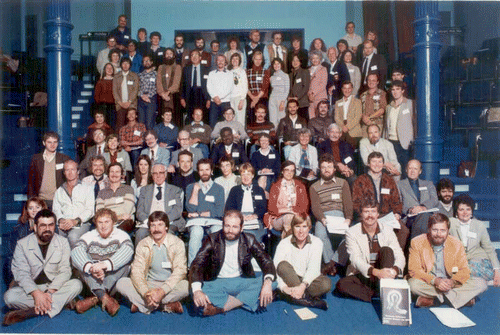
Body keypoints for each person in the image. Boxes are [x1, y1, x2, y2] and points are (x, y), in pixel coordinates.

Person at [3, 210, 82, 326]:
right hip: (32, 288)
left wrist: (49, 292)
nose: (47, 229)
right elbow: (21, 274)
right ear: (35, 227)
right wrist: (37, 294)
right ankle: (60, 303)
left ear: (54, 226)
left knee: (76, 284)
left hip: (54, 287)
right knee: (9, 297)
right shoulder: (22, 244)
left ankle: (31, 312)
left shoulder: (63, 242)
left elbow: (65, 271)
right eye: (43, 225)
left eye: (51, 225)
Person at [189, 210, 276, 316]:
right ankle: (246, 301)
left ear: (242, 228)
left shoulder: (249, 239)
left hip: (241, 280)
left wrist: (267, 283)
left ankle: (224, 307)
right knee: (195, 288)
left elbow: (266, 261)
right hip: (217, 282)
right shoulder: (212, 239)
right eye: (227, 226)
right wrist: (197, 291)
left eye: (235, 227)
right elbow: (197, 263)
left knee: (273, 282)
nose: (230, 230)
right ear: (222, 225)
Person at [408, 213, 487, 308]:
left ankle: (435, 300)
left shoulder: (456, 243)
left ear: (448, 231)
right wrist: (435, 281)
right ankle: (460, 299)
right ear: (429, 229)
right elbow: (414, 270)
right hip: (430, 282)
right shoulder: (417, 242)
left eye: (442, 230)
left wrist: (452, 282)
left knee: (481, 283)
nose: (438, 234)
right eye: (435, 230)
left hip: (450, 282)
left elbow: (464, 270)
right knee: (413, 285)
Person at [116, 211, 189, 314]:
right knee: (121, 283)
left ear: (166, 227)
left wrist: (162, 291)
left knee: (187, 286)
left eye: (160, 225)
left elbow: (180, 271)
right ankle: (164, 306)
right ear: (149, 228)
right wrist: (146, 293)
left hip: (169, 285)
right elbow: (137, 271)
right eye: (153, 225)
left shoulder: (177, 243)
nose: (156, 229)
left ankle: (143, 305)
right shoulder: (143, 244)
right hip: (149, 285)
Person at [335, 198, 405, 302]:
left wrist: (394, 270)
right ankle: (377, 293)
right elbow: (355, 259)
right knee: (341, 285)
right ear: (361, 214)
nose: (370, 215)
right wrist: (376, 272)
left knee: (387, 250)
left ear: (378, 214)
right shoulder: (352, 232)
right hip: (365, 273)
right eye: (366, 212)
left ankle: (383, 287)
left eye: (373, 211)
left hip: (384, 271)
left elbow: (399, 254)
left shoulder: (388, 229)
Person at [71, 208, 134, 315]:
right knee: (80, 265)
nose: (103, 226)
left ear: (114, 223)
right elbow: (76, 251)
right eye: (100, 222)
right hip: (93, 277)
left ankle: (96, 297)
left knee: (126, 265)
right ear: (96, 224)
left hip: (111, 278)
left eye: (106, 222)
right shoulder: (89, 235)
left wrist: (105, 265)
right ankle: (103, 296)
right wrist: (91, 267)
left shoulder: (121, 235)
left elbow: (128, 250)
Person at [352, 152, 408, 249]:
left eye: (380, 162)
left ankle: (395, 256)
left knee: (404, 230)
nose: (377, 165)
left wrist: (397, 213)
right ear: (368, 164)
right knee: (375, 230)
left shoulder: (389, 180)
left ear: (383, 164)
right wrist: (367, 214)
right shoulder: (360, 180)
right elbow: (356, 202)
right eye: (374, 161)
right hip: (367, 215)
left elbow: (396, 200)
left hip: (386, 215)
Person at [274, 214, 331, 310]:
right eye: (297, 227)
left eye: (304, 227)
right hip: (290, 277)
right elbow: (275, 268)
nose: (301, 231)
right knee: (282, 266)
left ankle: (290, 296)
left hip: (307, 280)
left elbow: (314, 269)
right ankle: (310, 301)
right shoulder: (284, 243)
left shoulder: (317, 242)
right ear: (292, 228)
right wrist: (284, 288)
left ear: (309, 228)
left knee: (326, 284)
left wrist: (302, 286)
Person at [310, 154, 353, 276]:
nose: (326, 169)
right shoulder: (314, 186)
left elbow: (348, 203)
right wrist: (322, 219)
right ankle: (329, 261)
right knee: (319, 234)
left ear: (334, 169)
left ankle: (332, 264)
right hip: (324, 217)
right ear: (320, 169)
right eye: (323, 167)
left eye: (329, 166)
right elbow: (315, 207)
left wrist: (348, 218)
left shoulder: (343, 182)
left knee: (349, 237)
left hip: (340, 216)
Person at [449, 194, 500, 286]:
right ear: (456, 212)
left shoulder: (479, 225)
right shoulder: (450, 223)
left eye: (468, 209)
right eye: (461, 209)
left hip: (477, 259)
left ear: (472, 211)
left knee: (472, 270)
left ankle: (465, 282)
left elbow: (489, 249)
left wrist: (497, 271)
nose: (465, 212)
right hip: (458, 260)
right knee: (454, 270)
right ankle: (479, 283)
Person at [185, 159, 226, 265]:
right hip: (196, 223)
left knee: (217, 232)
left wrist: (199, 213)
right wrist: (195, 191)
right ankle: (193, 267)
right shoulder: (190, 187)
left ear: (211, 171)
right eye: (201, 170)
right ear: (198, 172)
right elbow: (190, 209)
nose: (204, 173)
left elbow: (219, 211)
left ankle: (217, 266)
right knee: (196, 232)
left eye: (207, 169)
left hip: (214, 222)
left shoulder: (219, 189)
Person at [136, 163, 185, 244]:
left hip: (169, 222)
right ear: (152, 175)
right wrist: (150, 222)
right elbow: (139, 211)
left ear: (165, 174)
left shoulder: (175, 190)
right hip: (149, 223)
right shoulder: (144, 190)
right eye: (155, 173)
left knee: (168, 234)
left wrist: (163, 222)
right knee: (140, 233)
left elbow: (177, 210)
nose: (158, 176)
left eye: (161, 173)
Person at [52, 160, 94, 249]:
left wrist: (75, 221)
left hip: (81, 223)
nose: (70, 173)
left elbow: (90, 210)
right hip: (64, 223)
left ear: (78, 171)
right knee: (56, 239)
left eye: (73, 169)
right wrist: (61, 220)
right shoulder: (59, 191)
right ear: (64, 173)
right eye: (67, 170)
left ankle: (75, 262)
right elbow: (56, 209)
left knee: (73, 237)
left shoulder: (87, 188)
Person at [6, 198, 47, 285]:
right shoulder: (19, 228)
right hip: (25, 264)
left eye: (37, 207)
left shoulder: (50, 226)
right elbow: (13, 253)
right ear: (27, 210)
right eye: (31, 208)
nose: (34, 210)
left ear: (42, 208)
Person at [264, 161, 309, 238]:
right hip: (278, 218)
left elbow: (305, 206)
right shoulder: (275, 186)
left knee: (306, 219)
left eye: (292, 170)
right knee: (288, 217)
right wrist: (287, 210)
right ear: (282, 171)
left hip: (297, 215)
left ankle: (288, 246)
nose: (289, 173)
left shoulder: (300, 185)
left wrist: (294, 211)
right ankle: (294, 245)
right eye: (287, 170)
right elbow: (271, 209)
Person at [225, 163, 268, 241]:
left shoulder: (259, 190)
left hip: (255, 218)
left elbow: (263, 207)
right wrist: (239, 216)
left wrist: (255, 215)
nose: (246, 177)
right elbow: (229, 208)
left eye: (248, 174)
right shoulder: (234, 190)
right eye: (243, 174)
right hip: (239, 218)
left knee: (253, 236)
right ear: (240, 176)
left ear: (252, 175)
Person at [397, 159, 439, 239]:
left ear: (420, 171)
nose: (412, 171)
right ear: (406, 170)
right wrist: (410, 209)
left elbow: (434, 199)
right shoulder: (399, 185)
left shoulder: (428, 184)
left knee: (425, 216)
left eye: (415, 169)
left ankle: (416, 246)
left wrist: (423, 207)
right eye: (410, 168)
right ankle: (418, 246)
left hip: (428, 215)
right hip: (410, 217)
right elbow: (398, 203)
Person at [27, 131, 71, 207]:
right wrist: (31, 199)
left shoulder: (64, 158)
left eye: (55, 142)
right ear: (44, 143)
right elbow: (31, 181)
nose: (52, 145)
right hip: (40, 199)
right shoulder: (36, 159)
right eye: (49, 142)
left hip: (58, 199)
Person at [96, 163, 136, 233]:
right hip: (106, 224)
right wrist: (119, 217)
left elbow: (127, 211)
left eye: (117, 172)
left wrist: (109, 218)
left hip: (124, 223)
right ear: (108, 175)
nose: (114, 174)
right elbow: (100, 213)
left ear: (121, 175)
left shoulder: (128, 189)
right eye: (112, 172)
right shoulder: (101, 193)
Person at [384, 80, 414, 174]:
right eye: (393, 90)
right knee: (393, 170)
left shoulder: (410, 104)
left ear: (402, 91)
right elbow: (386, 126)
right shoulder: (389, 107)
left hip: (404, 143)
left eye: (397, 89)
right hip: (391, 142)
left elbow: (414, 123)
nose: (395, 92)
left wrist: (412, 140)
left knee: (405, 170)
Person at [180, 51, 210, 123]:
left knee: (203, 116)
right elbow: (182, 85)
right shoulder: (186, 69)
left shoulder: (206, 69)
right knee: (191, 116)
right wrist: (182, 98)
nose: (194, 57)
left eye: (196, 55)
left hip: (202, 95)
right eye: (192, 55)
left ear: (200, 58)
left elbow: (210, 85)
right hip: (190, 95)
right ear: (190, 58)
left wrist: (209, 99)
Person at [112, 57, 140, 129]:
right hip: (120, 104)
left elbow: (135, 90)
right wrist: (120, 103)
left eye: (127, 63)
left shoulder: (134, 76)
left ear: (130, 65)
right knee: (120, 125)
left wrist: (129, 102)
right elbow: (114, 91)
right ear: (121, 65)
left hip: (131, 104)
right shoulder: (116, 76)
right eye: (123, 63)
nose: (125, 65)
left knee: (132, 124)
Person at [207, 54, 234, 127]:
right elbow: (209, 87)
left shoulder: (230, 73)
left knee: (226, 124)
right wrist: (215, 97)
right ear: (216, 62)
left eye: (222, 60)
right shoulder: (211, 73)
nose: (220, 62)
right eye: (218, 60)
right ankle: (214, 138)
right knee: (213, 123)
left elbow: (230, 87)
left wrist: (220, 98)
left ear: (225, 62)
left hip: (225, 102)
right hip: (214, 102)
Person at [334, 81, 362, 148]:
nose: (347, 90)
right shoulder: (338, 102)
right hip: (341, 129)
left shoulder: (357, 102)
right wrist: (342, 126)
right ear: (342, 89)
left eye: (349, 88)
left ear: (352, 89)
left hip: (353, 130)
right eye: (345, 88)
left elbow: (358, 117)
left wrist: (348, 127)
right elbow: (336, 117)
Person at [156, 48, 182, 119]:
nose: (169, 55)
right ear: (164, 55)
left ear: (174, 56)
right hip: (162, 97)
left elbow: (176, 83)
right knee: (162, 117)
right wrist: (162, 94)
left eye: (171, 54)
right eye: (167, 54)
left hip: (174, 96)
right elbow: (158, 82)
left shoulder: (177, 67)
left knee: (174, 118)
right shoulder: (161, 67)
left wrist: (167, 93)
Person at [246, 51, 270, 121]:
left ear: (262, 60)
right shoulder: (247, 72)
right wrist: (252, 98)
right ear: (253, 59)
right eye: (256, 59)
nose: (258, 61)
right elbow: (246, 87)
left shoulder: (266, 72)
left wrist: (256, 99)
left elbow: (264, 87)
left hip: (262, 98)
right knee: (251, 119)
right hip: (251, 98)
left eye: (259, 59)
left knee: (263, 119)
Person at [137, 54, 157, 130]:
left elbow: (157, 87)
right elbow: (137, 88)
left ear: (151, 62)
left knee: (149, 123)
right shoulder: (140, 75)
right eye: (144, 61)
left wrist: (148, 96)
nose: (146, 62)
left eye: (148, 60)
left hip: (151, 99)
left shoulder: (156, 74)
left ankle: (150, 140)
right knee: (141, 123)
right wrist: (142, 96)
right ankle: (141, 141)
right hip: (141, 100)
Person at [268, 58, 290, 127]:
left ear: (281, 65)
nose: (276, 65)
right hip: (273, 99)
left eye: (278, 63)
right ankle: (274, 136)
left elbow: (287, 89)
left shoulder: (285, 76)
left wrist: (283, 102)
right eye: (275, 64)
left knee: (281, 119)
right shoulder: (272, 77)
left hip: (281, 99)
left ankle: (281, 136)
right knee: (272, 119)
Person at [228, 53, 249, 127]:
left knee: (240, 120)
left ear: (239, 61)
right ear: (231, 61)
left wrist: (242, 99)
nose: (235, 60)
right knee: (232, 120)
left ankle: (241, 138)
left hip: (239, 98)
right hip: (231, 98)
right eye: (233, 59)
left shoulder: (242, 71)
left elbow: (245, 86)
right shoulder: (228, 71)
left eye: (237, 59)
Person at [289, 54, 311, 120]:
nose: (295, 62)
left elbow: (306, 87)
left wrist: (297, 97)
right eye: (293, 60)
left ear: (300, 62)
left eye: (297, 60)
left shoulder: (305, 72)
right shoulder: (290, 74)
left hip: (302, 103)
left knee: (304, 123)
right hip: (293, 105)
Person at [307, 50, 328, 120]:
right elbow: (307, 85)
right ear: (310, 60)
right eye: (313, 58)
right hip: (310, 99)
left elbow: (323, 84)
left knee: (320, 118)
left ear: (320, 59)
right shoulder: (308, 70)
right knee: (312, 118)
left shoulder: (323, 69)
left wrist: (313, 93)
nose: (315, 60)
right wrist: (309, 95)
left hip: (320, 97)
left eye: (317, 58)